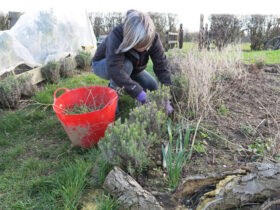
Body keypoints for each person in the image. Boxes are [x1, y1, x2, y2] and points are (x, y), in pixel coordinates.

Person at [91, 9, 173, 114]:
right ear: (130, 39)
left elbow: (162, 67)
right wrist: (138, 92)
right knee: (126, 65)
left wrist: (167, 95)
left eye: (147, 45)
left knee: (152, 87)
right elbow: (115, 69)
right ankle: (112, 95)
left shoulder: (153, 38)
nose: (144, 49)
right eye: (140, 46)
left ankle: (125, 83)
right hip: (102, 65)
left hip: (133, 68)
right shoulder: (117, 35)